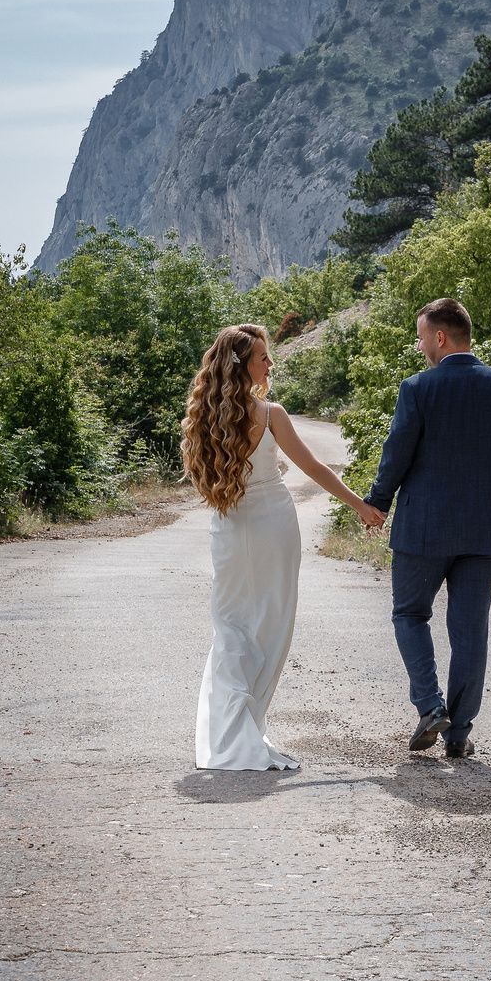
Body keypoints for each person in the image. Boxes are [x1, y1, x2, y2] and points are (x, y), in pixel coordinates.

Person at [179, 323, 384, 771]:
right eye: (263, 358)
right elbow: (314, 467)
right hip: (273, 527)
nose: (271, 364)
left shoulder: (203, 415)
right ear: (242, 365)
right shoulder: (271, 414)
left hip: (228, 530)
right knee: (271, 626)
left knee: (232, 627)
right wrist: (359, 505)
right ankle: (245, 728)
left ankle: (228, 732)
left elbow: (206, 480)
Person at [359, 298, 491, 759]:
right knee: (471, 629)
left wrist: (376, 502)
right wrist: (488, 507)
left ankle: (432, 708)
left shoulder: (418, 388)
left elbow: (397, 454)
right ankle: (458, 735)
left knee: (410, 614)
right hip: (485, 530)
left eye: (420, 337)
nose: (418, 347)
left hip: (424, 529)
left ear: (439, 337)